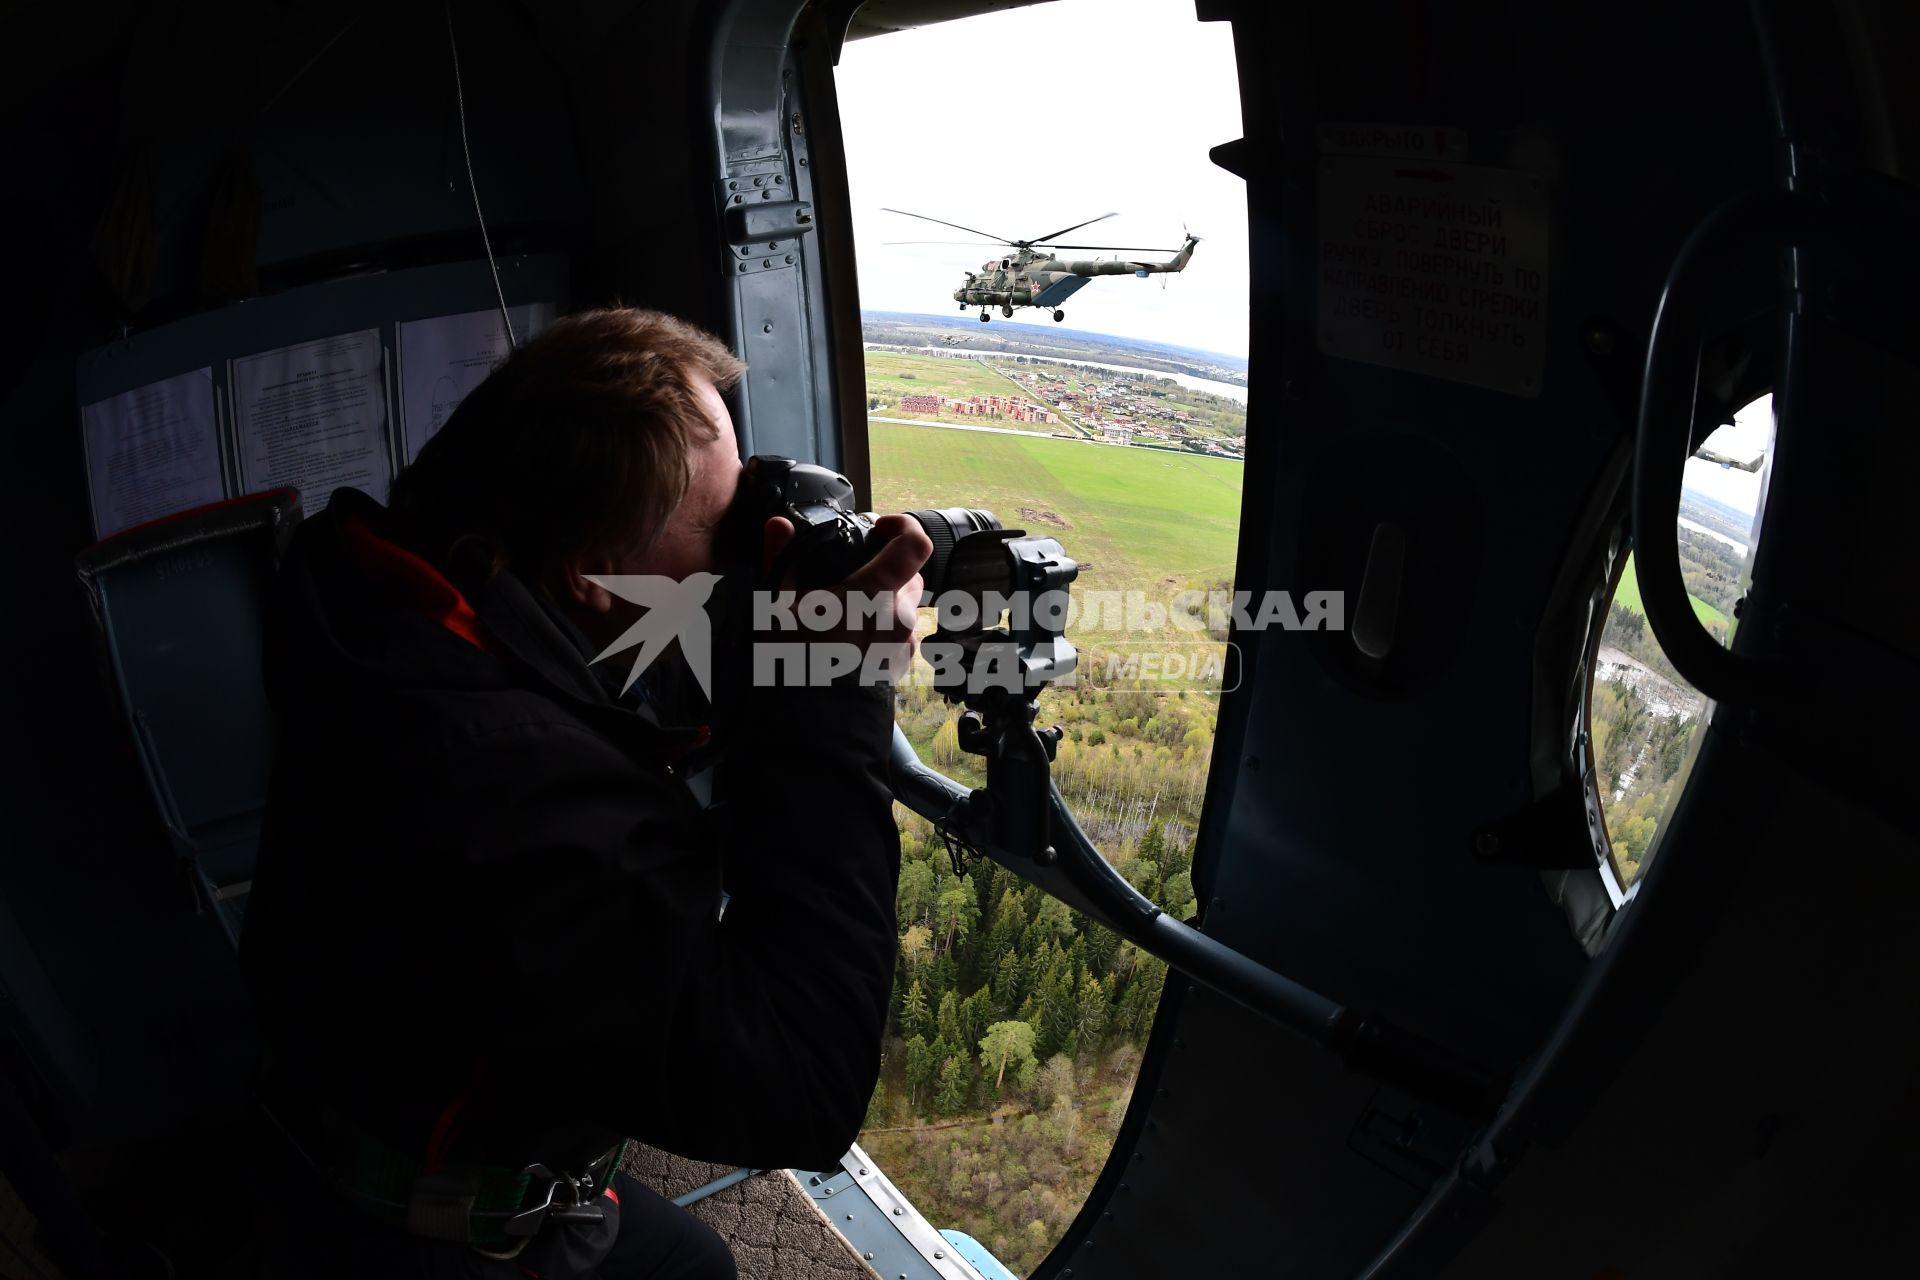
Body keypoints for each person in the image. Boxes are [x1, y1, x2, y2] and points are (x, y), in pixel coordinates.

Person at [238, 307, 931, 1278]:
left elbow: (613, 691)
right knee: (699, 1268)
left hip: (366, 1093)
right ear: (592, 575)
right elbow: (798, 1083)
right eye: (722, 523)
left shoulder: (397, 594)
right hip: (417, 1227)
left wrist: (773, 640)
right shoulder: (502, 774)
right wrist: (834, 692)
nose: (737, 546)